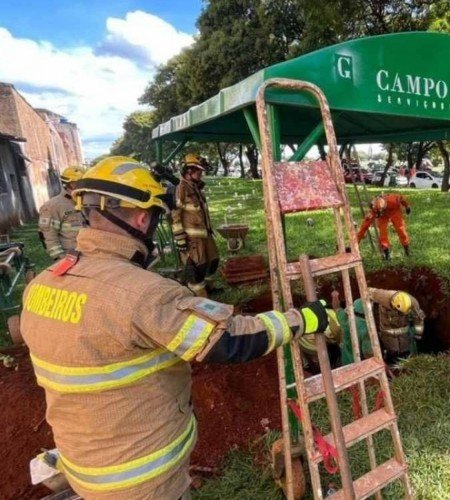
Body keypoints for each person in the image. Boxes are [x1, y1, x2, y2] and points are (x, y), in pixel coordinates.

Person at [20, 156, 329, 499]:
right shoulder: (141, 294)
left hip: (84, 467)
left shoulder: (43, 285)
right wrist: (303, 319)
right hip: (143, 481)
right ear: (142, 217)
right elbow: (228, 341)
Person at [172, 154, 219, 297]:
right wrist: (180, 238)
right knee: (197, 270)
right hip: (192, 239)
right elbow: (175, 213)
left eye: (201, 171)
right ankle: (201, 298)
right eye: (198, 171)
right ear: (188, 171)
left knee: (213, 262)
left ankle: (209, 289)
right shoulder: (181, 188)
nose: (201, 174)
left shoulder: (196, 188)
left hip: (205, 234)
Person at [38, 166, 86, 260]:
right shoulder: (52, 206)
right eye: (77, 183)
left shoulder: (87, 202)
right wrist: (60, 259)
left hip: (91, 255)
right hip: (70, 257)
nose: (82, 187)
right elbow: (48, 236)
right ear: (68, 184)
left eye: (84, 183)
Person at [356, 194, 411, 260]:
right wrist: (356, 241)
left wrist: (407, 206)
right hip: (383, 215)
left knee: (400, 229)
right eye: (377, 212)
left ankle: (407, 250)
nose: (377, 214)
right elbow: (364, 225)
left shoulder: (393, 200)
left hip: (394, 211)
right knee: (382, 232)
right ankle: (387, 254)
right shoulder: (375, 208)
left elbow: (402, 198)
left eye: (379, 212)